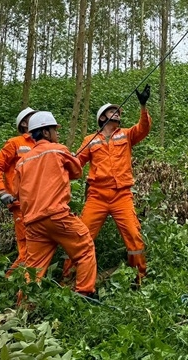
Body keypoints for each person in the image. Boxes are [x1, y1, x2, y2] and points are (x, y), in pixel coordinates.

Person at [70, 84, 151, 283]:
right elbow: (77, 164)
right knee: (82, 236)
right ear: (102, 117)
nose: (117, 113)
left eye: (117, 111)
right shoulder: (91, 140)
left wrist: (143, 106)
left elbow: (144, 128)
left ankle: (138, 278)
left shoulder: (126, 134)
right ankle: (69, 279)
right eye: (111, 111)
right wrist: (66, 160)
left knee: (134, 236)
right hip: (97, 195)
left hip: (122, 195)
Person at [15, 111, 97, 297]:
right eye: (54, 130)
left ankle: (24, 307)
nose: (57, 133)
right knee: (85, 249)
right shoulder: (58, 149)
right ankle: (85, 295)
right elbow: (77, 172)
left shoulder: (21, 162)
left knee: (33, 269)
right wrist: (69, 158)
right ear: (45, 132)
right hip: (57, 215)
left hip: (33, 224)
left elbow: (17, 193)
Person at [0, 107, 38, 273]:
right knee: (27, 250)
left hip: (40, 203)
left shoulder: (44, 144)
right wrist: (3, 192)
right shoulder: (15, 143)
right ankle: (10, 283)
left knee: (38, 247)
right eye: (32, 117)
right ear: (24, 123)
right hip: (20, 204)